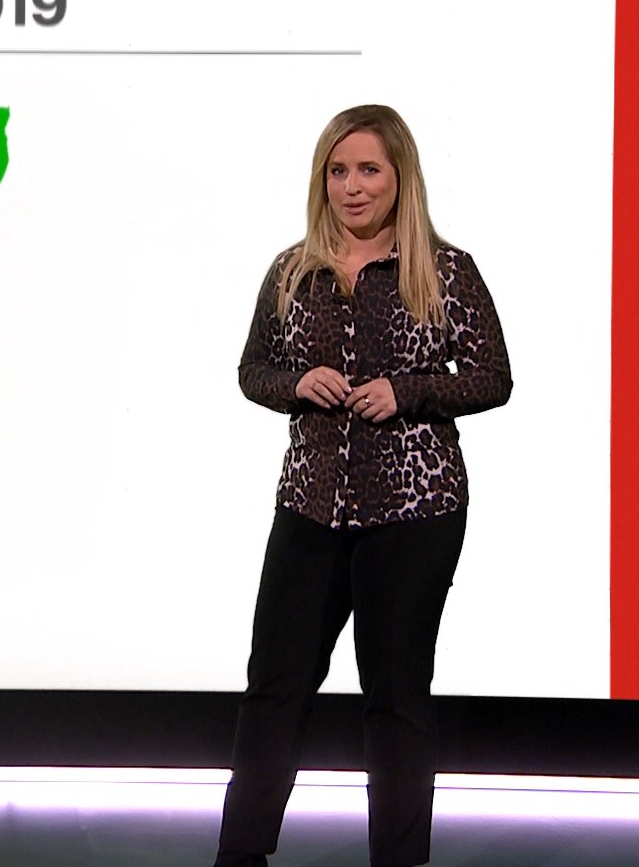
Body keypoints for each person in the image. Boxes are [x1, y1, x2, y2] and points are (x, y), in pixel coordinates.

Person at [214, 104, 512, 867]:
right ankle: (239, 858)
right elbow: (252, 370)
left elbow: (492, 377)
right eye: (338, 171)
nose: (352, 186)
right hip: (311, 503)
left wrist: (407, 391)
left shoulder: (445, 271)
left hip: (414, 511)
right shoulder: (293, 271)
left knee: (396, 698)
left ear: (399, 177)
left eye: (369, 170)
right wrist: (294, 383)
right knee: (274, 690)